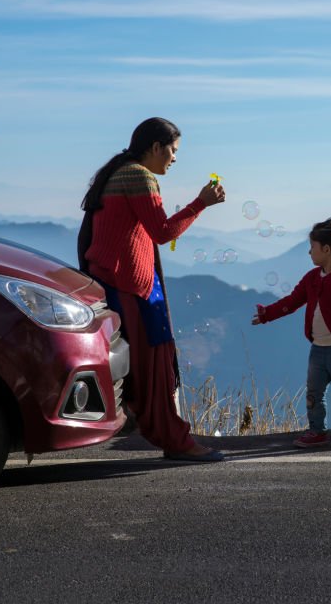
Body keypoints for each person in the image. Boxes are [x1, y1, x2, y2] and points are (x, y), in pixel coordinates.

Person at [78, 117, 226, 462]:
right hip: (132, 286)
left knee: (146, 365)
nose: (174, 159)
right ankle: (174, 439)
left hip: (121, 281)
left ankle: (164, 431)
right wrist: (200, 203)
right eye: (173, 151)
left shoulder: (119, 172)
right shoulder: (137, 175)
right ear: (156, 147)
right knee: (153, 367)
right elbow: (161, 231)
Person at [251, 217, 331, 450]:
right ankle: (317, 431)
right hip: (318, 349)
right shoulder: (312, 279)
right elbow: (293, 301)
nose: (309, 252)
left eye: (313, 248)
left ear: (326, 250)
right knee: (313, 395)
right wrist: (267, 314)